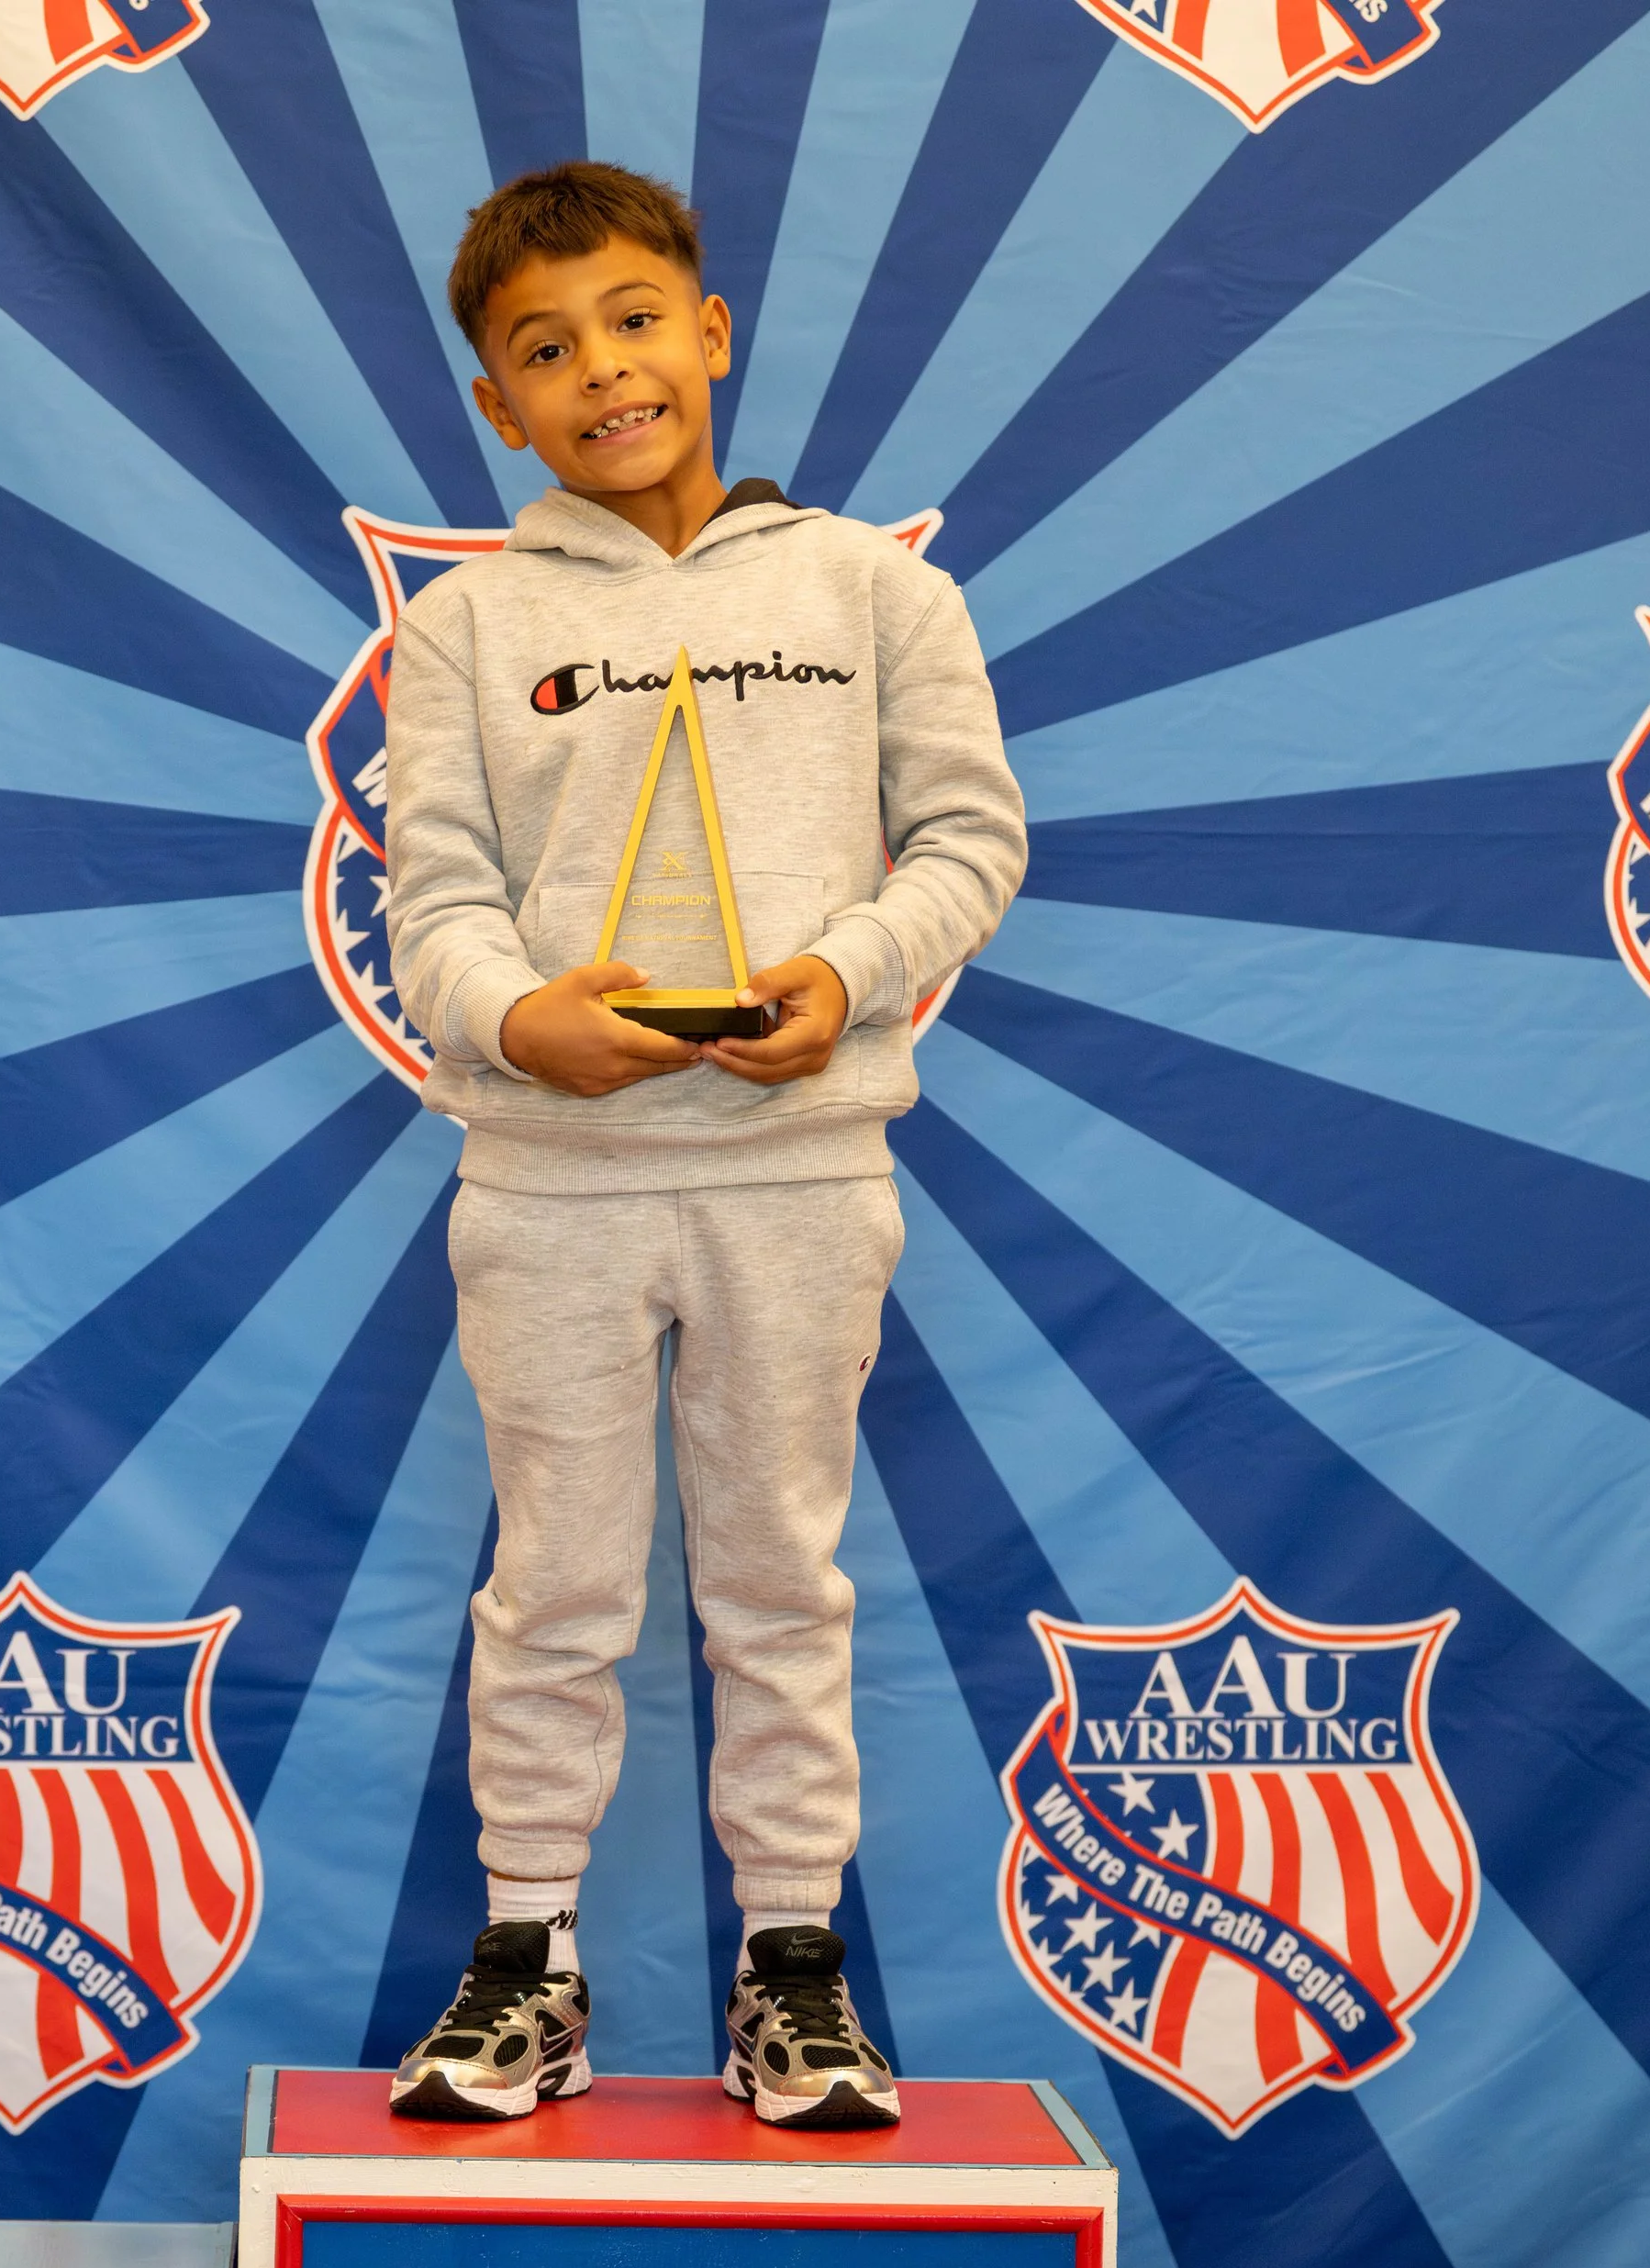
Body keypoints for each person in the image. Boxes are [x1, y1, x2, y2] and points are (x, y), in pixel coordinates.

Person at [383, 161, 1026, 2129]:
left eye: (634, 320)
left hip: (797, 1165)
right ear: (499, 407)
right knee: (552, 1588)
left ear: (711, 330)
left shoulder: (872, 591)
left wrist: (841, 977)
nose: (603, 370)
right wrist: (515, 1019)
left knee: (777, 1577)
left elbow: (971, 841)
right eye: (544, 350)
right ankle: (525, 1963)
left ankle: (790, 1974)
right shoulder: (469, 627)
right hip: (548, 1180)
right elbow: (431, 901)